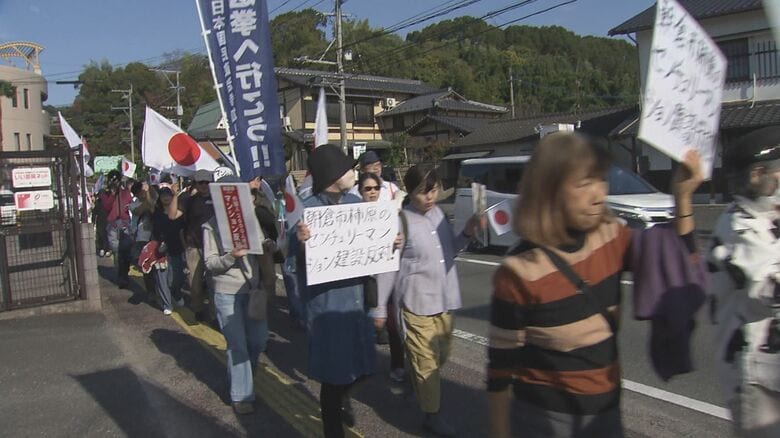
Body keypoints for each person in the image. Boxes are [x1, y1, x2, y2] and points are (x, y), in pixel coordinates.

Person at [487, 132, 703, 438]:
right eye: (583, 183)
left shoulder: (611, 236)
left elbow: (672, 259)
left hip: (608, 413)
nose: (599, 194)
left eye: (600, 180)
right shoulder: (519, 272)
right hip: (544, 421)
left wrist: (682, 196)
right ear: (548, 190)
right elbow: (499, 372)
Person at [373, 165, 478, 436]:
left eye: (433, 190)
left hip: (444, 299)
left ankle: (416, 381)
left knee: (441, 355)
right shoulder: (400, 222)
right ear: (411, 192)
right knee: (427, 362)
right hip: (416, 303)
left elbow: (451, 251)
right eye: (422, 192)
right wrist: (379, 308)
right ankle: (432, 416)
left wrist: (466, 232)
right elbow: (388, 267)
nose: (429, 197)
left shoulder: (439, 215)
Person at [294, 144, 376, 438]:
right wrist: (302, 244)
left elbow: (371, 246)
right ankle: (333, 430)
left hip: (355, 302)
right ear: (332, 174)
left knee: (364, 366)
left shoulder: (355, 203)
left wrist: (388, 244)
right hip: (328, 306)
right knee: (332, 377)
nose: (354, 172)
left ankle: (343, 398)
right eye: (347, 168)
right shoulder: (309, 211)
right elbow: (295, 262)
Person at [708, 126, 780, 437]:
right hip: (754, 371)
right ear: (757, 176)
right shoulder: (739, 225)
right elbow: (766, 287)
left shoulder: (767, 217)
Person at [202, 173, 269, 416]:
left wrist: (271, 246)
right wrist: (232, 256)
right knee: (238, 344)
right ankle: (241, 394)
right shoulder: (210, 226)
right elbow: (210, 263)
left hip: (252, 290)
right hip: (226, 293)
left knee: (258, 341)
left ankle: (244, 380)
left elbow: (263, 248)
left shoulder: (250, 220)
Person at [359, 173, 406, 383]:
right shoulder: (352, 215)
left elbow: (404, 245)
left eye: (375, 188)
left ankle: (398, 364)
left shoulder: (391, 214)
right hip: (365, 280)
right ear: (360, 191)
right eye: (367, 189)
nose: (372, 192)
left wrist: (398, 242)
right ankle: (364, 364)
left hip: (389, 278)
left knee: (393, 325)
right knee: (365, 325)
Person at [168, 169, 215, 321]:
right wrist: (175, 195)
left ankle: (216, 316)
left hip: (215, 247)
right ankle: (198, 308)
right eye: (200, 182)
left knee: (215, 284)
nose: (204, 185)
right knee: (194, 284)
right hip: (194, 245)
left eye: (207, 182)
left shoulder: (218, 198)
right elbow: (173, 215)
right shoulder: (188, 200)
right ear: (195, 183)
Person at [150, 181, 186, 316]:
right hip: (160, 250)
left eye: (168, 194)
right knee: (162, 279)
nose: (166, 197)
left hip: (176, 248)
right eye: (163, 195)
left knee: (177, 278)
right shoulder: (156, 212)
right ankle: (167, 304)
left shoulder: (178, 212)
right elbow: (149, 200)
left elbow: (182, 231)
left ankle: (176, 293)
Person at [100, 170, 134, 288]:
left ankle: (124, 273)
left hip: (125, 223)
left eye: (116, 180)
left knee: (126, 250)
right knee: (117, 251)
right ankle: (121, 276)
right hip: (112, 224)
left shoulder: (125, 193)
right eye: (112, 180)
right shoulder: (105, 193)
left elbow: (130, 204)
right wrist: (113, 194)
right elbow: (106, 207)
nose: (114, 182)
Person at [128, 180, 156, 297]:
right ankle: (151, 292)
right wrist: (148, 193)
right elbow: (146, 207)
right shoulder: (133, 204)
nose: (144, 193)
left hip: (155, 237)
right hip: (142, 239)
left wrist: (150, 190)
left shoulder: (153, 199)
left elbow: (153, 208)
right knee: (147, 267)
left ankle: (159, 289)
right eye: (141, 192)